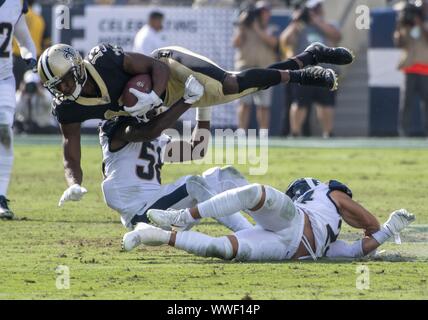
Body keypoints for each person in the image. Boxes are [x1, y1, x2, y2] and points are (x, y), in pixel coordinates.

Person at [37, 41, 354, 207]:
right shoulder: (68, 109)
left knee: (231, 84)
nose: (63, 90)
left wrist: (158, 98)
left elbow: (156, 65)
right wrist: (73, 182)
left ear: (77, 69)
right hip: (162, 101)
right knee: (245, 88)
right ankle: (310, 57)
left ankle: (301, 76)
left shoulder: (104, 60)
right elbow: (70, 151)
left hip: (170, 68)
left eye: (64, 81)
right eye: (57, 87)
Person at [123, 178, 415, 262]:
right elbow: (367, 221)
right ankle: (182, 215)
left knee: (221, 250)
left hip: (284, 248)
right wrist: (381, 228)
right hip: (294, 220)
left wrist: (390, 230)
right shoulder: (327, 194)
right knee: (255, 192)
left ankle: (157, 235)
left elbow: (354, 251)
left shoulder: (331, 243)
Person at [98, 79, 252, 231]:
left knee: (225, 175)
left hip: (165, 208)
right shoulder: (117, 127)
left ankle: (266, 224)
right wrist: (186, 100)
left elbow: (196, 149)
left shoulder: (154, 136)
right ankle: (247, 232)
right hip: (140, 217)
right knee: (194, 184)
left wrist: (204, 106)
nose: (159, 105)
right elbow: (146, 132)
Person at [280, 0, 343, 138]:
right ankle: (295, 132)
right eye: (313, 10)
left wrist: (316, 21)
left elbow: (336, 36)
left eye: (317, 9)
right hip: (305, 71)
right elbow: (284, 40)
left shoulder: (330, 24)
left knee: (326, 104)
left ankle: (328, 132)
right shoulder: (299, 27)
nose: (315, 12)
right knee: (300, 102)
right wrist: (295, 21)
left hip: (326, 70)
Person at [0, 0, 37, 219]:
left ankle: (0, 196)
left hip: (3, 79)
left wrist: (29, 57)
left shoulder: (14, 4)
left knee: (4, 130)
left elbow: (24, 40)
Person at [233, 1, 278, 137]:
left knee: (264, 104)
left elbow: (274, 43)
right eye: (261, 11)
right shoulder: (245, 27)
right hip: (245, 67)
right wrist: (241, 25)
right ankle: (241, 130)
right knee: (244, 102)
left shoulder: (271, 27)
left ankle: (263, 132)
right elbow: (235, 43)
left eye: (266, 11)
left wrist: (257, 28)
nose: (264, 14)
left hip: (265, 69)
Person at [394, 0, 428, 136]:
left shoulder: (424, 24)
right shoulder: (405, 26)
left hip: (425, 69)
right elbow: (399, 43)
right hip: (409, 68)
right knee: (406, 102)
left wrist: (420, 23)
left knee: (426, 103)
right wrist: (400, 24)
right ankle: (403, 132)